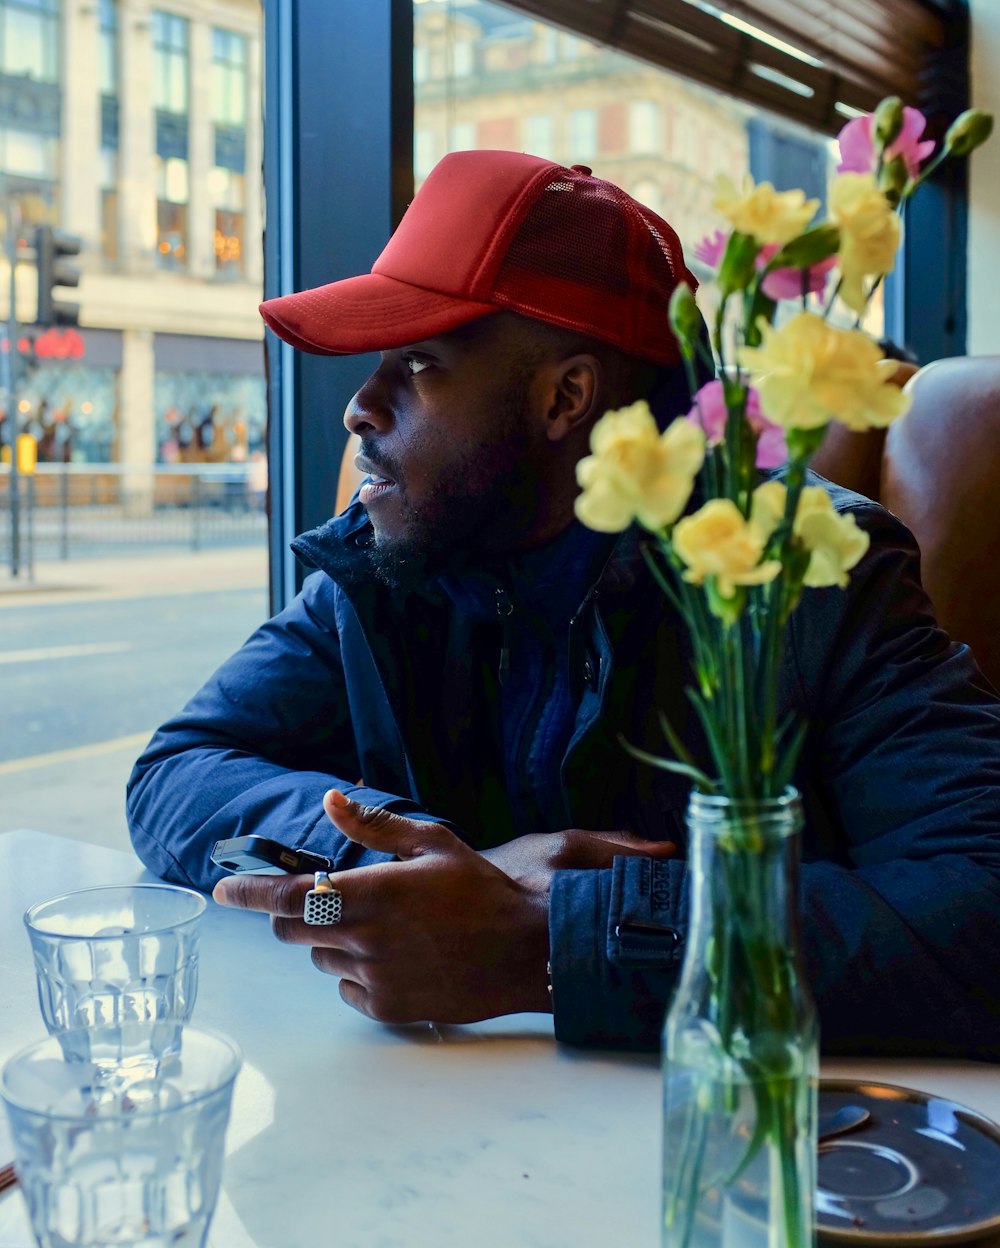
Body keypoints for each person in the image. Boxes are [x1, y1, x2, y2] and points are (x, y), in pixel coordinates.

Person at [126, 150, 1000, 1055]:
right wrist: (416, 862)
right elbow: (180, 768)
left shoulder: (807, 571)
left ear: (565, 397)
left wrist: (547, 939)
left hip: (742, 1139)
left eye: (418, 363)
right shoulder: (387, 564)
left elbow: (982, 902)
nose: (359, 407)